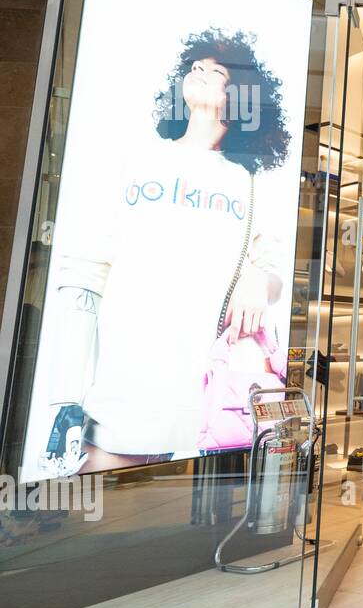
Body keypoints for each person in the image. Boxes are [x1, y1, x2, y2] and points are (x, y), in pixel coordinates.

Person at [40, 29, 292, 476]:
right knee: (93, 513)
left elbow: (271, 272)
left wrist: (259, 280)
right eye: (196, 66)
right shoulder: (135, 158)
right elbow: (86, 272)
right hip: (123, 382)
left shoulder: (249, 184)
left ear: (242, 97)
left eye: (217, 72)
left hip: (201, 390)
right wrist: (66, 396)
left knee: (170, 517)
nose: (200, 72)